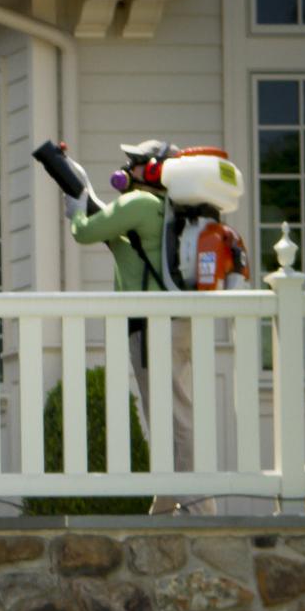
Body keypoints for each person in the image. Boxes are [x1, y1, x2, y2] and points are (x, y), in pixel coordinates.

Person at [69, 149, 208, 514]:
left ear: (150, 169)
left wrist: (75, 208)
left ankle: (199, 508)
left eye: (132, 162)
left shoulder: (139, 202)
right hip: (175, 323)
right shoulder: (167, 210)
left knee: (174, 416)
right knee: (166, 415)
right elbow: (121, 243)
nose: (125, 169)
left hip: (152, 326)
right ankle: (163, 506)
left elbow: (85, 232)